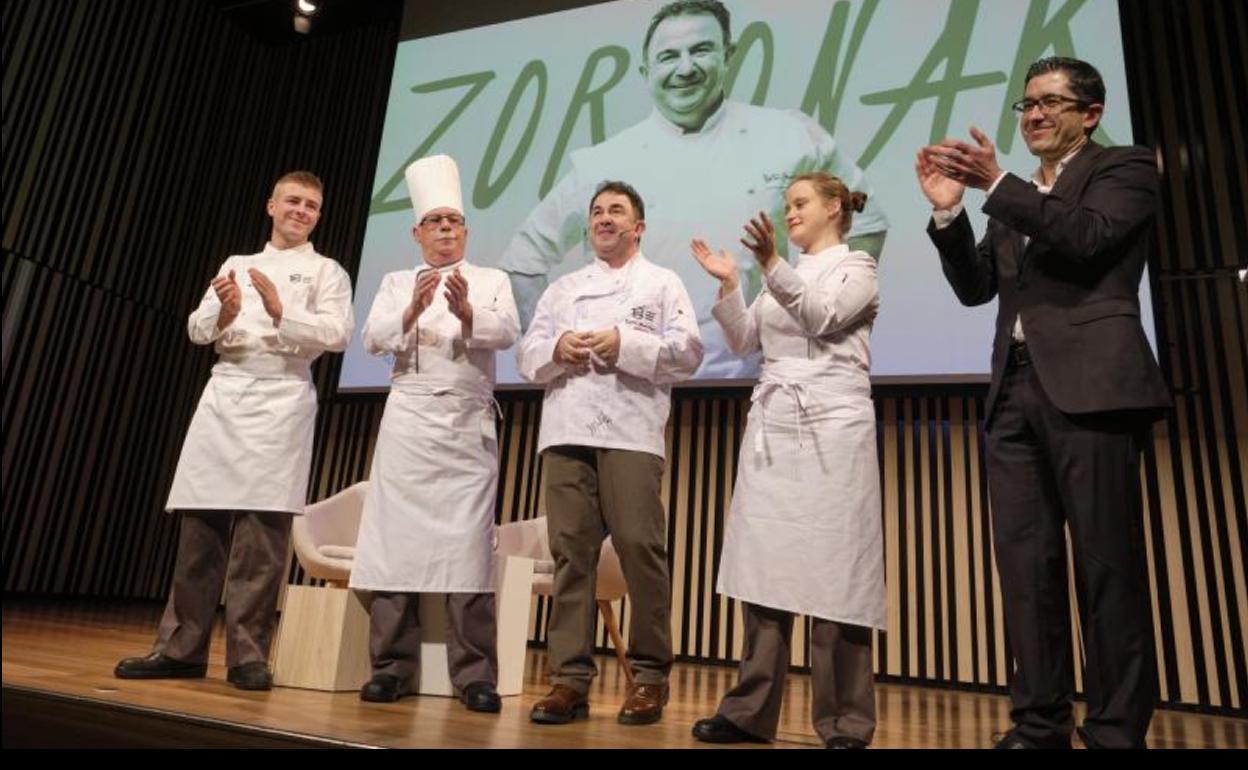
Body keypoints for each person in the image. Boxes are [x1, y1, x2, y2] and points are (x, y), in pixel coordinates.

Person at [916, 56, 1169, 749]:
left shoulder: (1125, 168)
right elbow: (976, 289)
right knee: (1026, 570)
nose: (1032, 114)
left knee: (1106, 566)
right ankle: (1039, 724)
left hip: (1092, 389)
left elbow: (1086, 239)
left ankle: (1116, 730)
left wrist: (997, 184)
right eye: (1026, 103)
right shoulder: (1017, 195)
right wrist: (948, 214)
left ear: (1090, 113)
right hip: (1013, 391)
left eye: (1051, 103)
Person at [500, 0, 887, 379]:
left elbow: (867, 220)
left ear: (728, 53)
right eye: (669, 56)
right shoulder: (602, 162)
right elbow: (523, 262)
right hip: (632, 379)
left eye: (701, 50)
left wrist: (820, 320)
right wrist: (556, 342)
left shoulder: (789, 134)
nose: (686, 68)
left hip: (749, 380)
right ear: (645, 69)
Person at [115, 171, 355, 691]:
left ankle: (248, 656)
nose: (301, 210)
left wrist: (279, 309)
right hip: (225, 393)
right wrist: (224, 313)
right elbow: (196, 329)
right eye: (293, 201)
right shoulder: (235, 264)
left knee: (261, 541)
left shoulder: (327, 271)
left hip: (282, 397)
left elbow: (338, 334)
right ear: (270, 206)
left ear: (318, 215)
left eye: (312, 205)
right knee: (199, 533)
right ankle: (180, 649)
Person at [688, 172, 885, 749]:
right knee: (764, 567)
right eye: (787, 205)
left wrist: (772, 264)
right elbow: (746, 341)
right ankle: (748, 712)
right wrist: (730, 286)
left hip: (833, 425)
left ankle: (846, 721)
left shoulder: (859, 268)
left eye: (800, 204)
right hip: (774, 422)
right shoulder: (782, 272)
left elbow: (823, 316)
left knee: (839, 572)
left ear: (834, 209)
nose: (790, 212)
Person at [516, 180, 702, 725]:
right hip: (568, 429)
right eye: (597, 212)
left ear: (637, 226)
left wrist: (628, 345)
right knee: (572, 555)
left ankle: (649, 677)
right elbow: (528, 356)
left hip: (631, 432)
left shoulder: (662, 284)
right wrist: (557, 348)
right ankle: (568, 680)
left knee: (641, 548)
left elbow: (688, 353)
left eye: (616, 211)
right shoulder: (563, 288)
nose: (604, 219)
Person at [350, 155, 520, 712]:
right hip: (409, 422)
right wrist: (409, 312)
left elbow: (508, 333)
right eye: (436, 222)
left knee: (468, 550)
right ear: (417, 232)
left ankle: (474, 674)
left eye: (454, 221)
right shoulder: (397, 281)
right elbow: (373, 339)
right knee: (394, 544)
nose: (446, 229)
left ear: (466, 230)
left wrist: (469, 312)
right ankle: (391, 667)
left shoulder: (492, 279)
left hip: (466, 426)